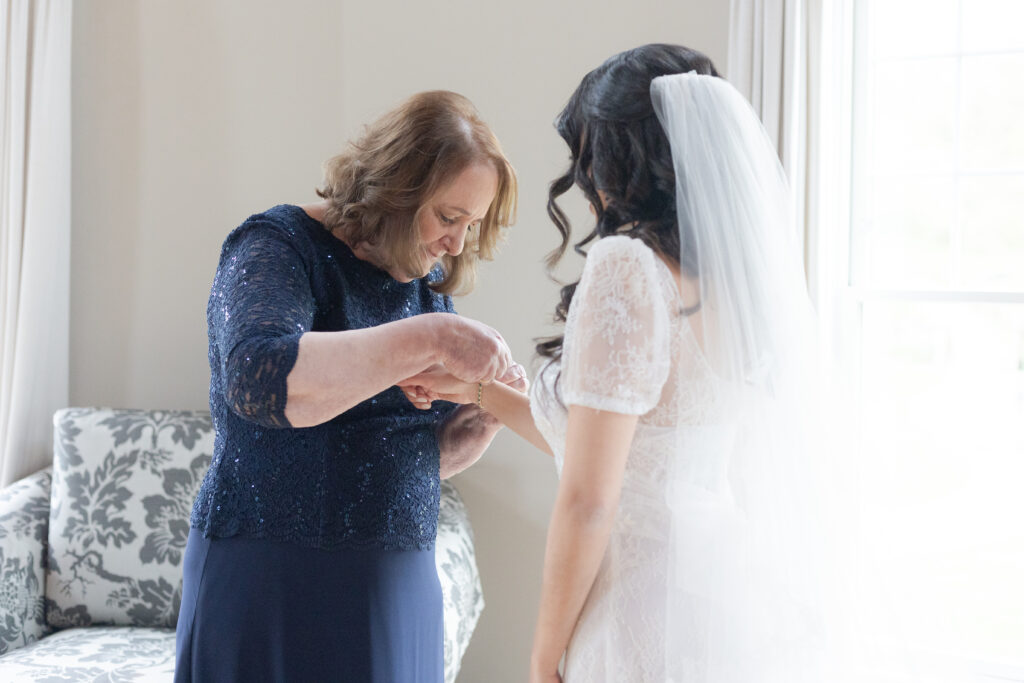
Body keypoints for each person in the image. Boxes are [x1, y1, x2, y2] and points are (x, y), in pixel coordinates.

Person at [403, 44, 829, 682]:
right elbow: (635, 449)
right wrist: (478, 391)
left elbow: (589, 499)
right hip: (725, 601)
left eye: (588, 154)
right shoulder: (737, 282)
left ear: (623, 155)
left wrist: (545, 656)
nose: (585, 179)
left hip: (641, 609)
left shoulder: (629, 265)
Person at [174, 90, 524, 683]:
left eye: (472, 225)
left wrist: (483, 416)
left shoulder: (422, 283)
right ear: (397, 187)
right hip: (274, 578)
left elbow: (408, 454)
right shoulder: (278, 245)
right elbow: (258, 381)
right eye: (447, 217)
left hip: (397, 587)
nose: (458, 245)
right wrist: (434, 336)